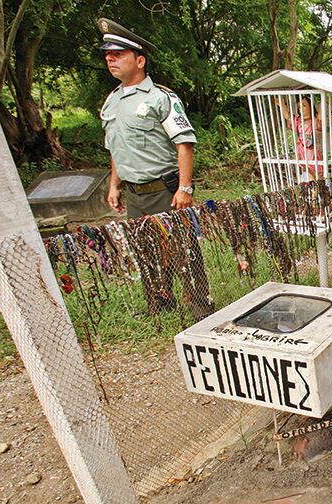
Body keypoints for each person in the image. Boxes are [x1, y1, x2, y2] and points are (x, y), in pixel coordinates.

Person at [97, 18, 214, 319]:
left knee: (182, 249)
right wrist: (115, 184)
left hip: (165, 190)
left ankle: (201, 307)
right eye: (108, 55)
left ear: (139, 60)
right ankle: (159, 304)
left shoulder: (161, 98)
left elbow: (184, 144)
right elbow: (115, 146)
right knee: (146, 250)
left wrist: (185, 188)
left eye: (118, 54)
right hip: (135, 193)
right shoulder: (111, 103)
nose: (110, 59)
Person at [276, 94, 324, 179]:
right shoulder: (298, 121)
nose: (301, 108)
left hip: (311, 150)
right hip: (301, 149)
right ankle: (312, 187)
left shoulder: (314, 121)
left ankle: (316, 187)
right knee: (306, 170)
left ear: (310, 106)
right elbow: (288, 116)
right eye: (299, 106)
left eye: (304, 105)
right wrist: (282, 105)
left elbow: (320, 120)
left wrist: (322, 101)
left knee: (314, 171)